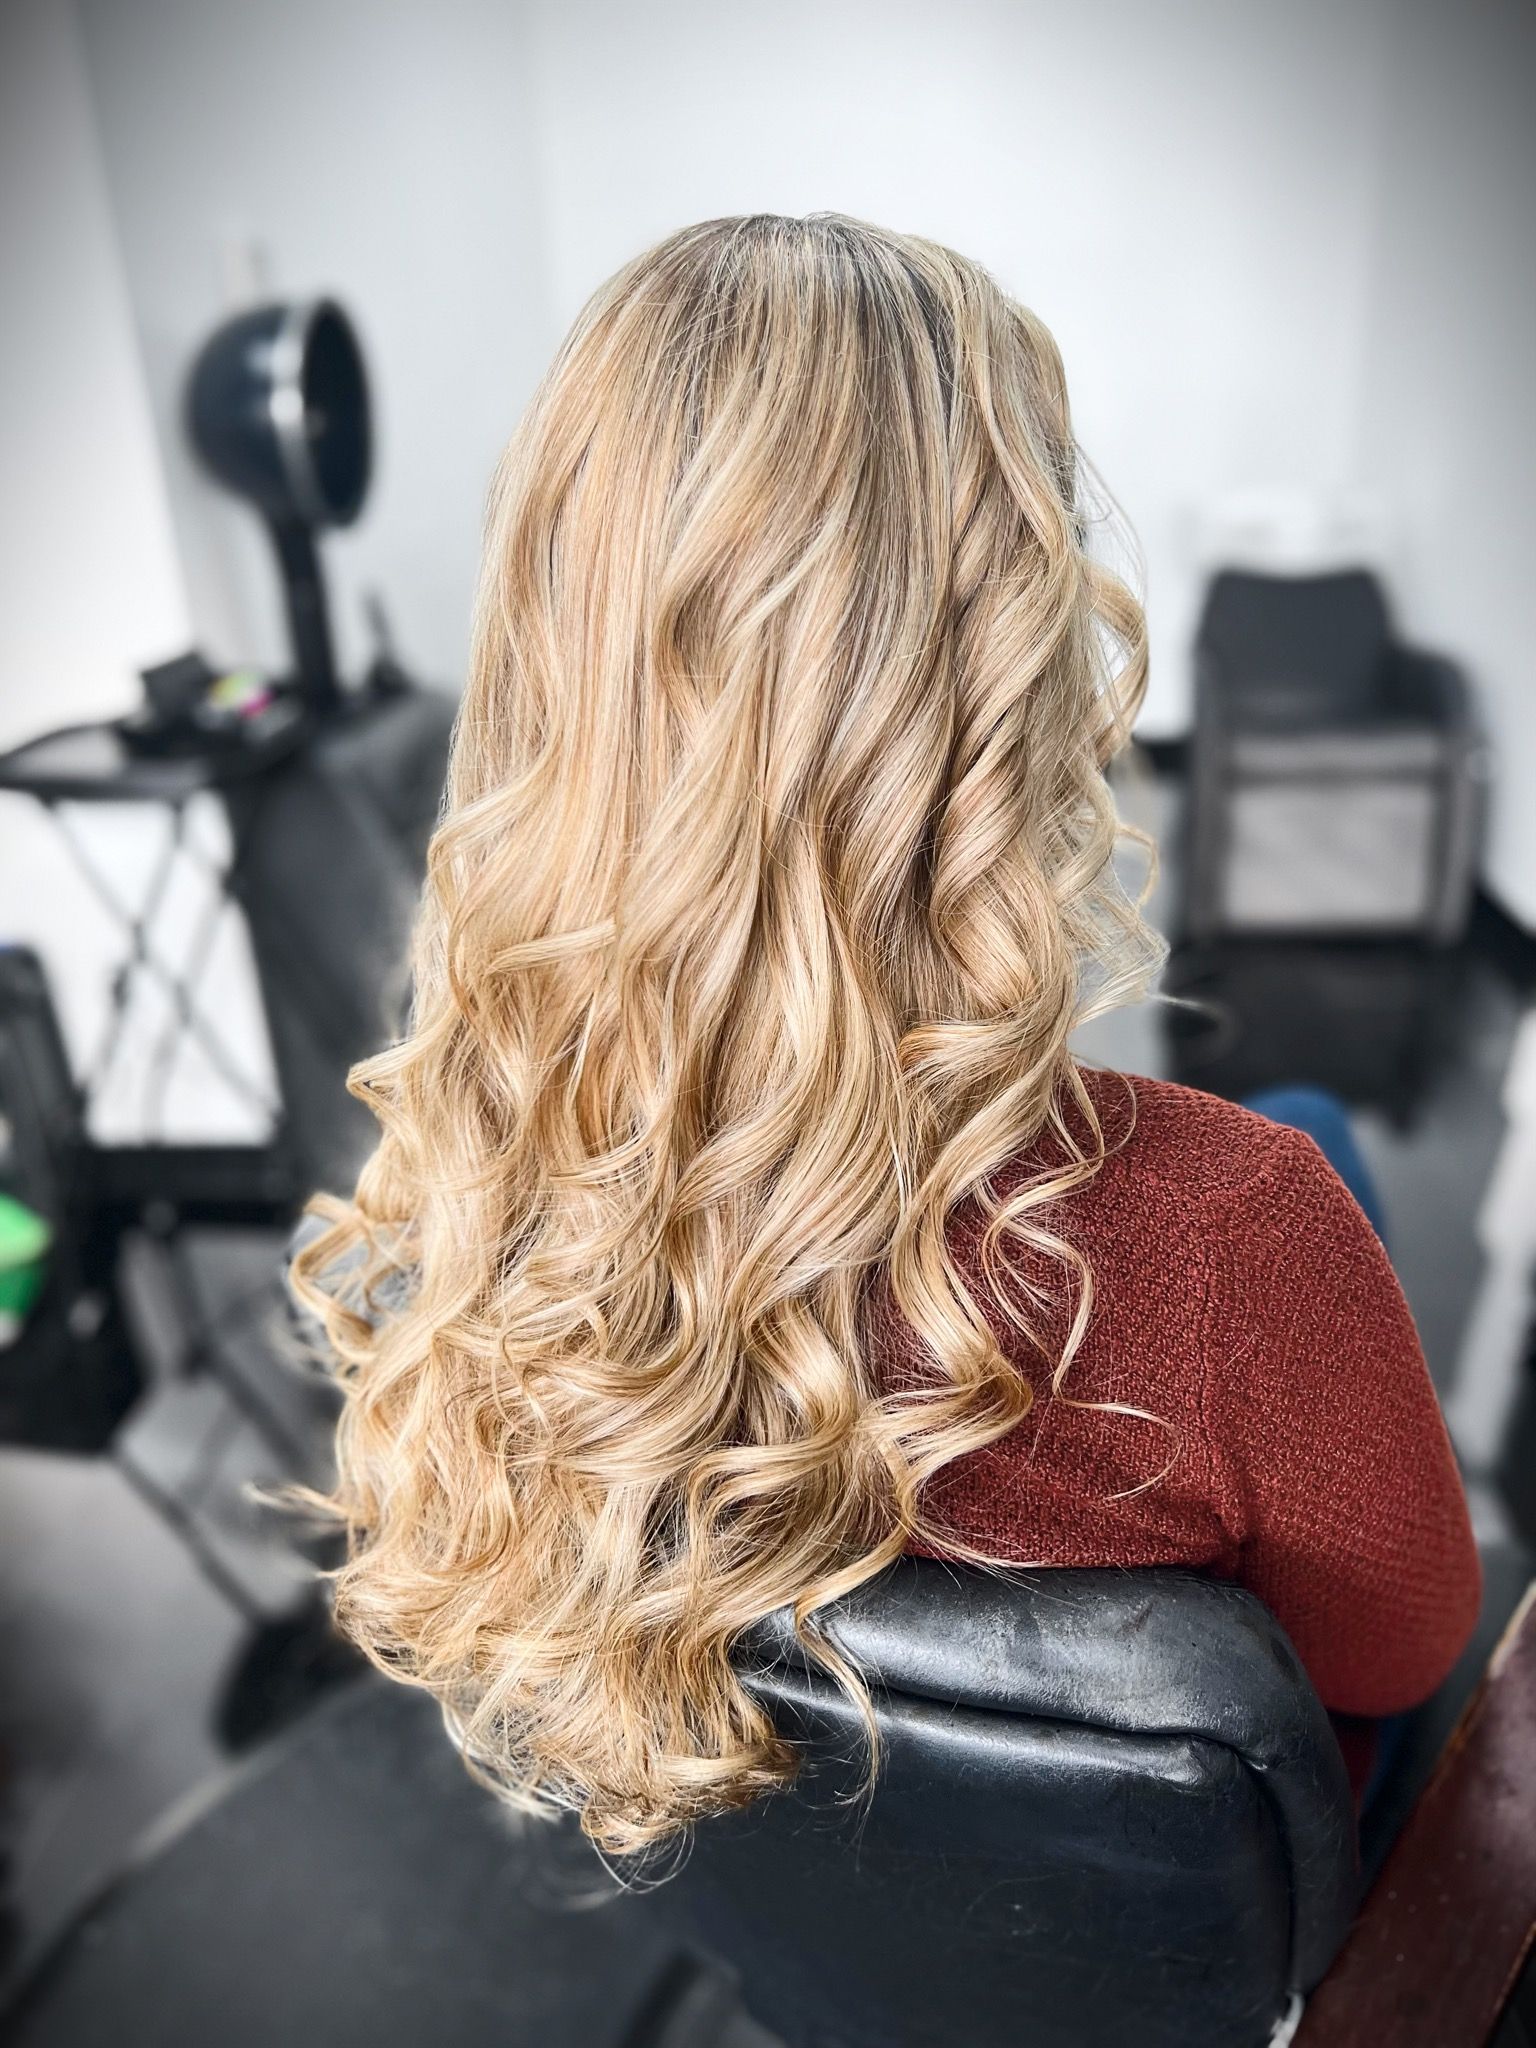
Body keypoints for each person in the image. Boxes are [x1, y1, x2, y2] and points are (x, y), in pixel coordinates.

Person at [292, 212, 1480, 1854]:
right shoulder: (1231, 1233)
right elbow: (1401, 1655)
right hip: (1182, 1944)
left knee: (1308, 1142)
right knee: (1311, 1151)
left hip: (794, 1909)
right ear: (1003, 666)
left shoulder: (486, 1157)